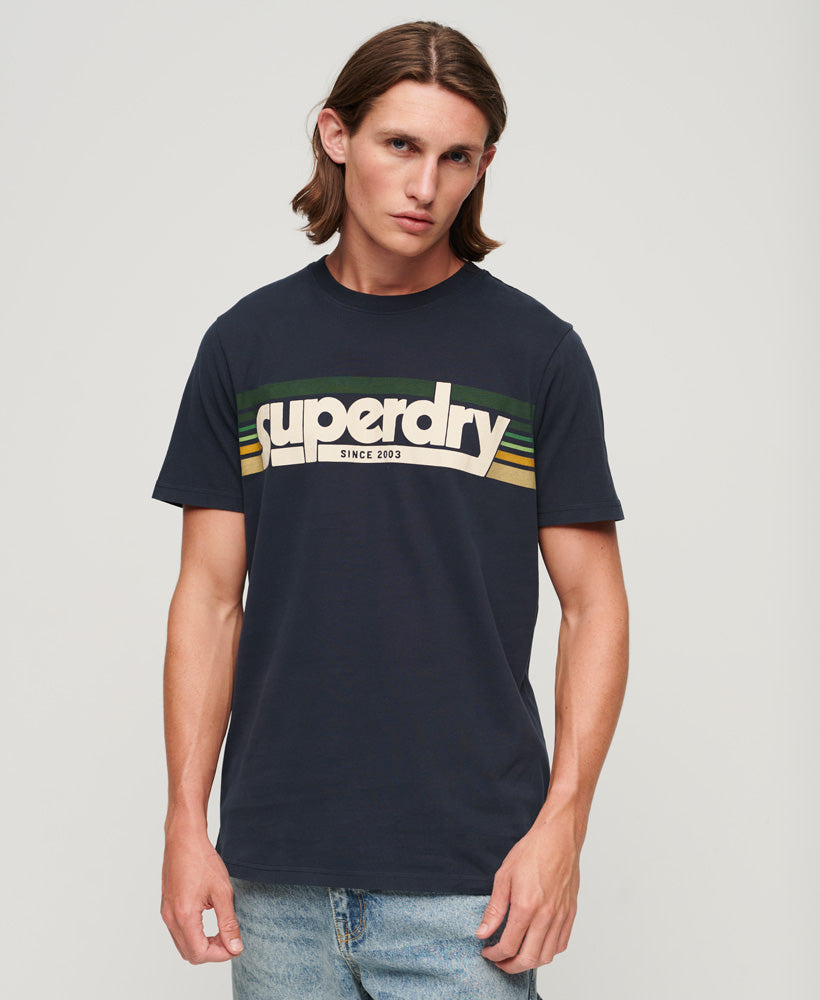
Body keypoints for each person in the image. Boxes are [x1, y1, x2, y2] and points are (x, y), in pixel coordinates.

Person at [153, 19, 629, 1000]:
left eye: (457, 157)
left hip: (471, 886)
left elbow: (594, 605)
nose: (425, 185)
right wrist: (185, 822)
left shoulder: (535, 354)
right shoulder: (247, 345)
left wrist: (564, 827)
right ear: (336, 136)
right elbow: (208, 599)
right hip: (275, 879)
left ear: (483, 165)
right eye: (400, 144)